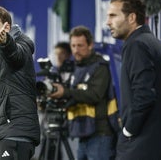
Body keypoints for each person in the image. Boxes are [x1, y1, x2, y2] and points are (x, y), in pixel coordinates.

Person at [106, 0, 161, 160]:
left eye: (113, 15)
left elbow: (145, 95)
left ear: (132, 17)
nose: (108, 22)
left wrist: (128, 130)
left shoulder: (136, 45)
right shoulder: (154, 43)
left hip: (142, 147)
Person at [0, 5, 40, 160]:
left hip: (15, 132)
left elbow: (15, 55)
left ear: (6, 27)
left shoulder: (21, 45)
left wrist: (7, 42)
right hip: (6, 133)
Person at [49, 25, 117, 160]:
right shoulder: (76, 68)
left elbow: (94, 95)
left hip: (100, 134)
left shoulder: (100, 67)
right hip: (83, 134)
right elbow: (74, 95)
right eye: (73, 46)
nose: (76, 50)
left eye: (80, 45)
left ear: (90, 45)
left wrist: (66, 92)